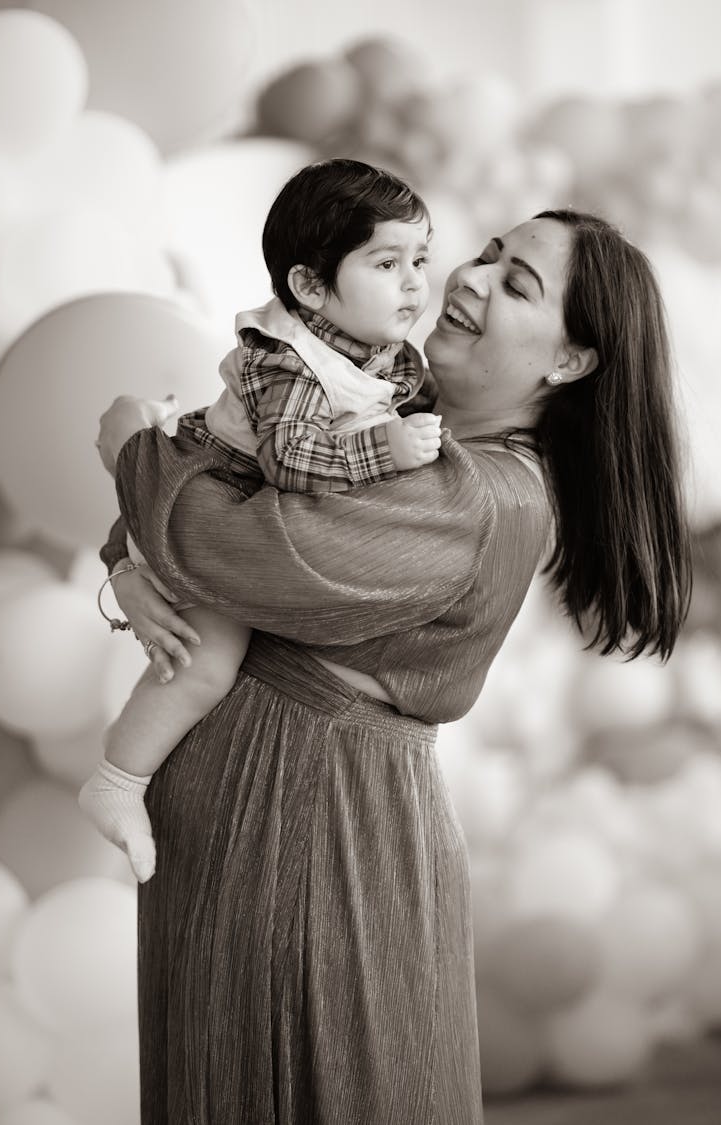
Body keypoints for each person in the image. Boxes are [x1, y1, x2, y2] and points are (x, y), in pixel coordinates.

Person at [95, 209, 692, 1125]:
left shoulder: (481, 497)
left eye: (519, 282)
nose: (471, 276)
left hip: (310, 847)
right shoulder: (392, 426)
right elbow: (229, 496)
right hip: (263, 838)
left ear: (569, 363)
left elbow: (236, 550)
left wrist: (129, 458)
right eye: (489, 252)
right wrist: (129, 568)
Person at [79, 159, 442, 883]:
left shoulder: (376, 346)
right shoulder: (288, 361)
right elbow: (293, 460)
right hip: (207, 486)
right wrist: (386, 446)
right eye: (387, 261)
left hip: (235, 500)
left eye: (422, 259)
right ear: (309, 286)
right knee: (207, 662)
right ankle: (117, 782)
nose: (414, 282)